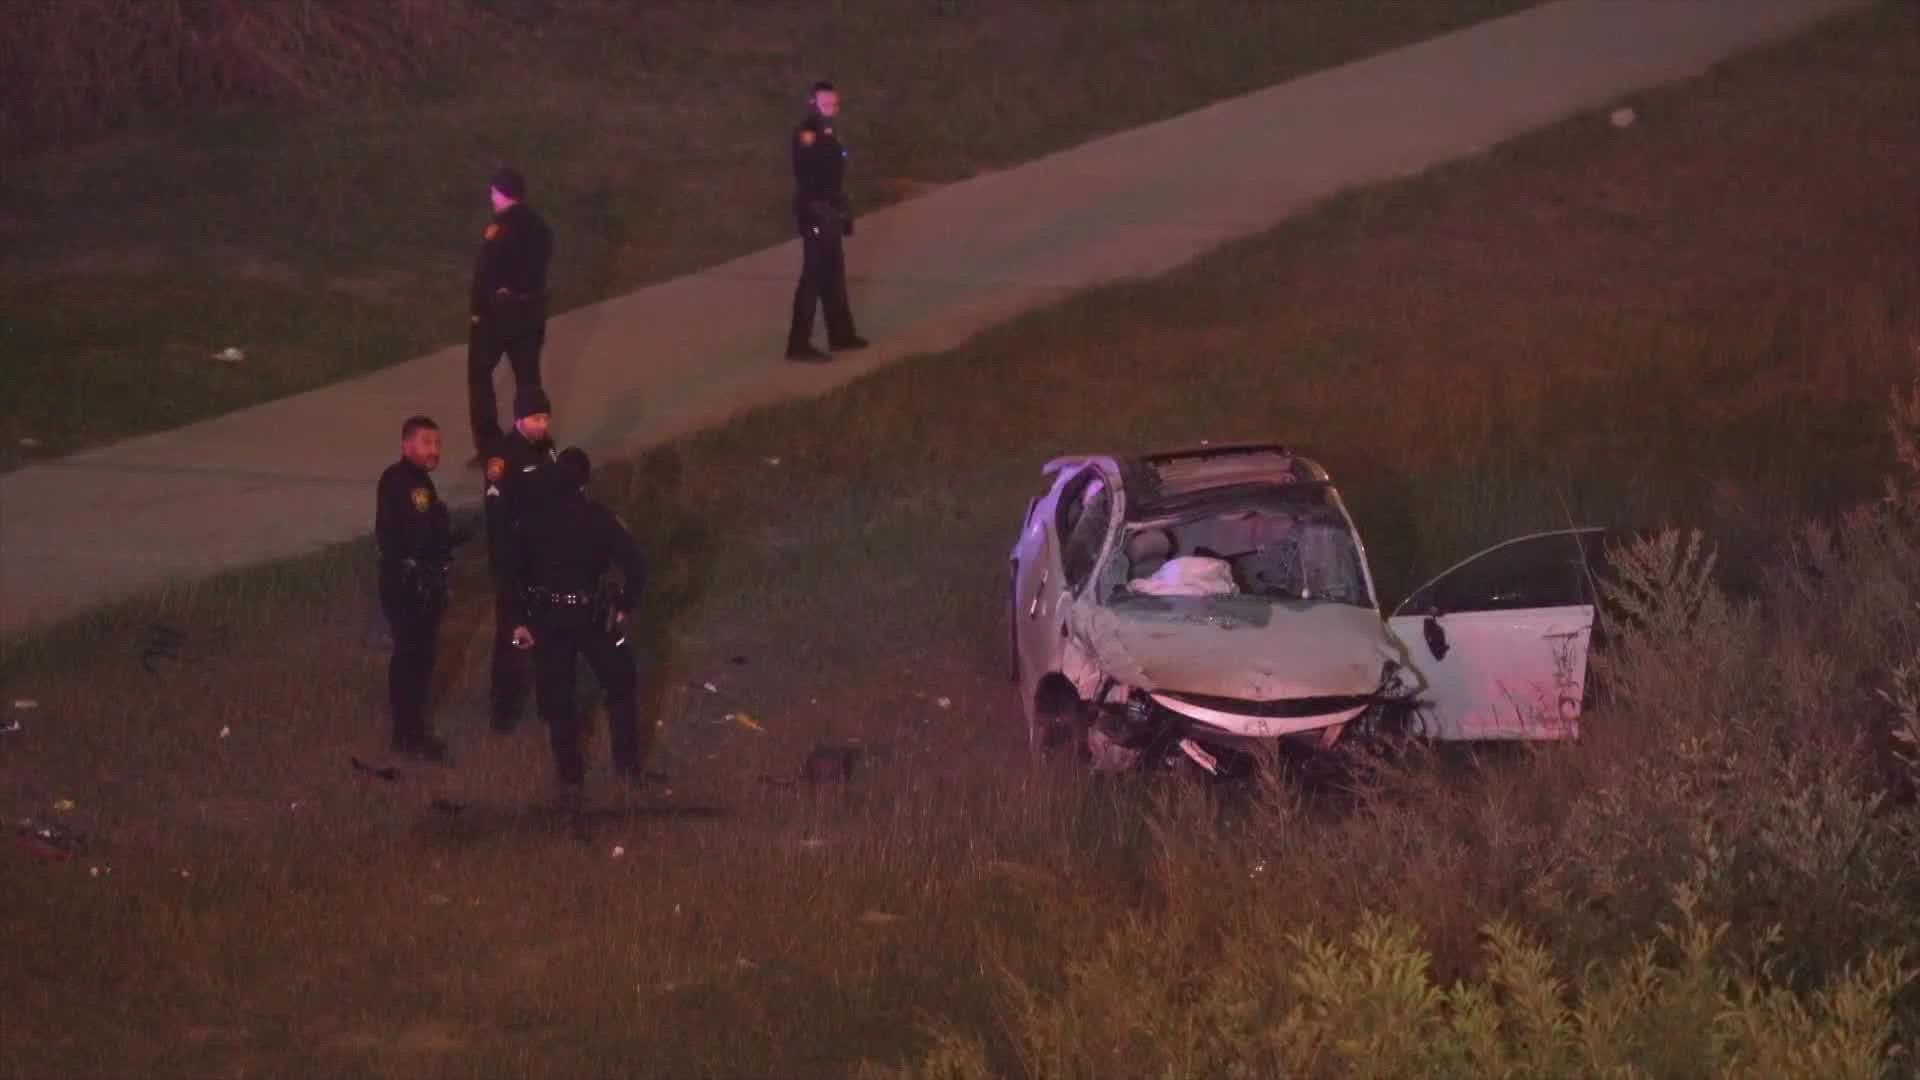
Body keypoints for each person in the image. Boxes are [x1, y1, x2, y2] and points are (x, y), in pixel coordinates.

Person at [506, 448, 649, 801]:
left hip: (548, 617)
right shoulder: (598, 518)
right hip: (592, 615)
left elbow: (513, 575)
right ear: (585, 480)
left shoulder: (531, 521)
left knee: (559, 697)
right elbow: (635, 563)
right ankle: (627, 765)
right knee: (620, 683)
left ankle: (569, 774)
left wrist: (519, 621)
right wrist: (624, 604)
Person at [375, 415, 456, 761]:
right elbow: (404, 535)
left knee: (422, 657)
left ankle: (413, 726)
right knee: (410, 656)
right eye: (426, 443)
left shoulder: (422, 481)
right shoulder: (398, 481)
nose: (434, 450)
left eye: (437, 443)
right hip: (406, 583)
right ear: (406, 445)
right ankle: (406, 732)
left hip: (424, 581)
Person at [483, 385, 558, 732]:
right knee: (512, 634)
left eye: (545, 418)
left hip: (544, 556)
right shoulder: (503, 456)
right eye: (536, 418)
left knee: (548, 631)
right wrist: (504, 567)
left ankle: (549, 702)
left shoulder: (547, 450)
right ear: (519, 419)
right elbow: (497, 519)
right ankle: (504, 708)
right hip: (514, 560)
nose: (542, 425)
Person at [468, 165, 554, 458]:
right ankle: (536, 441)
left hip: (499, 316)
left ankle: (489, 445)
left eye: (494, 192)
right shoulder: (540, 227)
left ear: (504, 195)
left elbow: (484, 272)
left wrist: (477, 311)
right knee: (528, 379)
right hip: (531, 313)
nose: (491, 197)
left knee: (479, 373)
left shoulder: (500, 229)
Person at [785, 80, 869, 362]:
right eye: (825, 104)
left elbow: (834, 175)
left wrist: (841, 209)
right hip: (816, 212)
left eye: (834, 104)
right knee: (813, 278)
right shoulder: (808, 133)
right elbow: (808, 175)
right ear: (813, 103)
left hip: (830, 210)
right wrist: (818, 209)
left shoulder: (829, 131)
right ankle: (798, 345)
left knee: (834, 274)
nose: (831, 109)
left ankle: (841, 335)